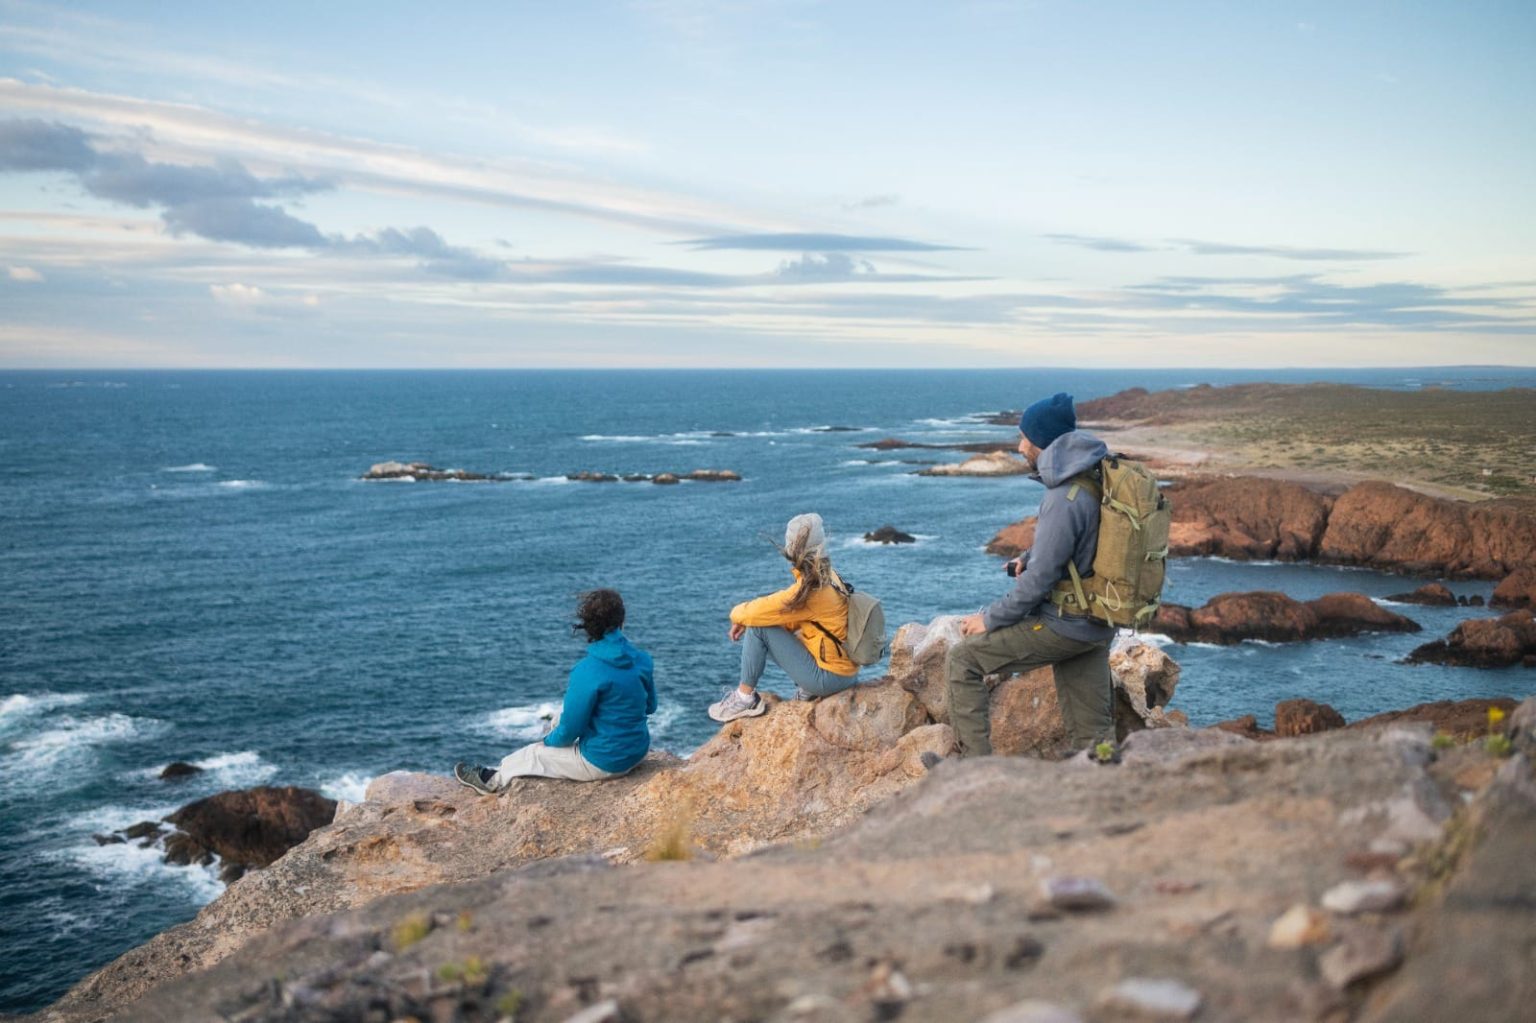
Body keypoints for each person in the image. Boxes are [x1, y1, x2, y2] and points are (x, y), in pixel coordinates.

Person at [945, 392, 1116, 758]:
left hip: (1065, 624)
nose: (1020, 445)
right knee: (1094, 732)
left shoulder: (1064, 496)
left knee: (963, 660)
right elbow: (1081, 547)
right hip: (1098, 621)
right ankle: (1110, 782)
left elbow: (1039, 582)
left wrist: (990, 619)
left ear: (1044, 441)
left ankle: (975, 770)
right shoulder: (1094, 475)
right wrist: (1031, 556)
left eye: (1025, 437)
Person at [454, 588, 655, 793]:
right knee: (559, 718)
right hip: (638, 751)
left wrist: (548, 742)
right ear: (623, 620)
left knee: (534, 754)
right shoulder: (642, 660)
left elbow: (570, 731)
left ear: (589, 627)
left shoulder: (587, 670)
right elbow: (650, 706)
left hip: (605, 763)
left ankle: (491, 781)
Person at [707, 513, 859, 722]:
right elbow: (797, 617)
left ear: (791, 549)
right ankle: (807, 690)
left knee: (759, 628)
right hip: (845, 671)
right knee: (775, 624)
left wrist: (738, 617)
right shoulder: (830, 576)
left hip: (830, 678)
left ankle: (745, 699)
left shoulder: (812, 590)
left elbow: (758, 611)